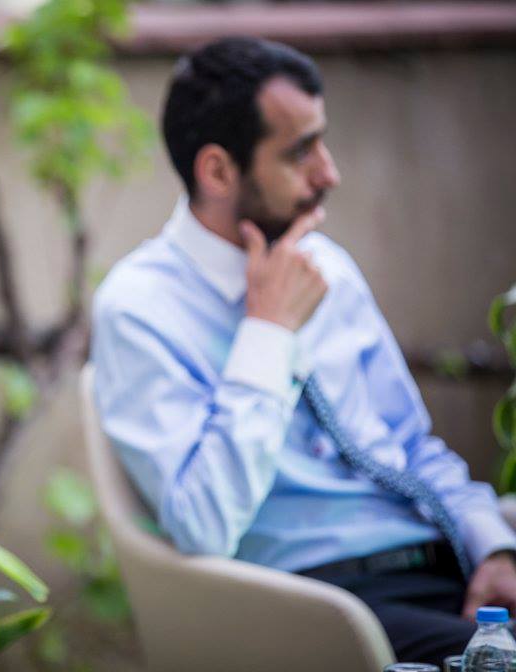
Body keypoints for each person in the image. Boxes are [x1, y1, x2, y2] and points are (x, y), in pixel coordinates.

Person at [90, 37, 516, 663]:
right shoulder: (138, 307)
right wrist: (268, 334)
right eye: (299, 152)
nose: (329, 173)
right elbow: (203, 524)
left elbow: (411, 444)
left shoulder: (328, 268)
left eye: (323, 142)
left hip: (445, 568)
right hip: (320, 606)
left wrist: (493, 548)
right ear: (218, 171)